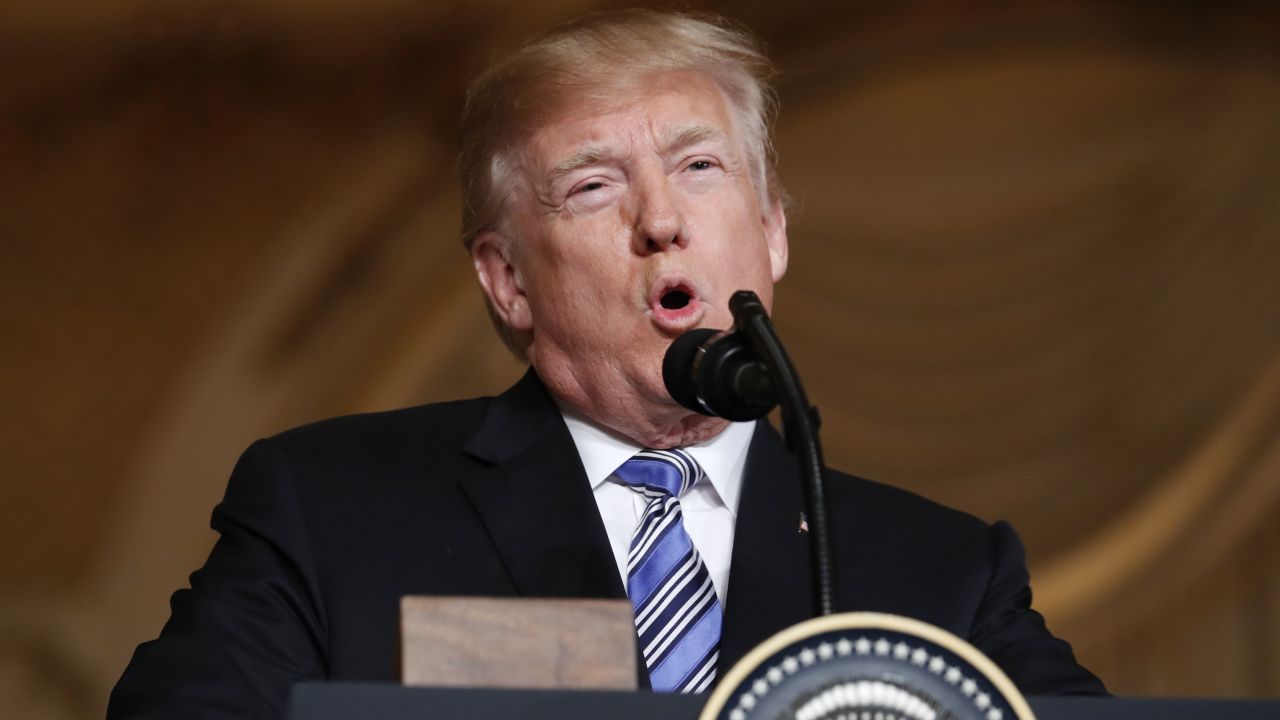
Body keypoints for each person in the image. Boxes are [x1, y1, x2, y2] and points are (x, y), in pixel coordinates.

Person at [107, 9, 1105, 718]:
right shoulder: (326, 510)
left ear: (771, 235)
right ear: (507, 282)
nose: (660, 221)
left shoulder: (941, 575)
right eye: (592, 187)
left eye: (697, 167)